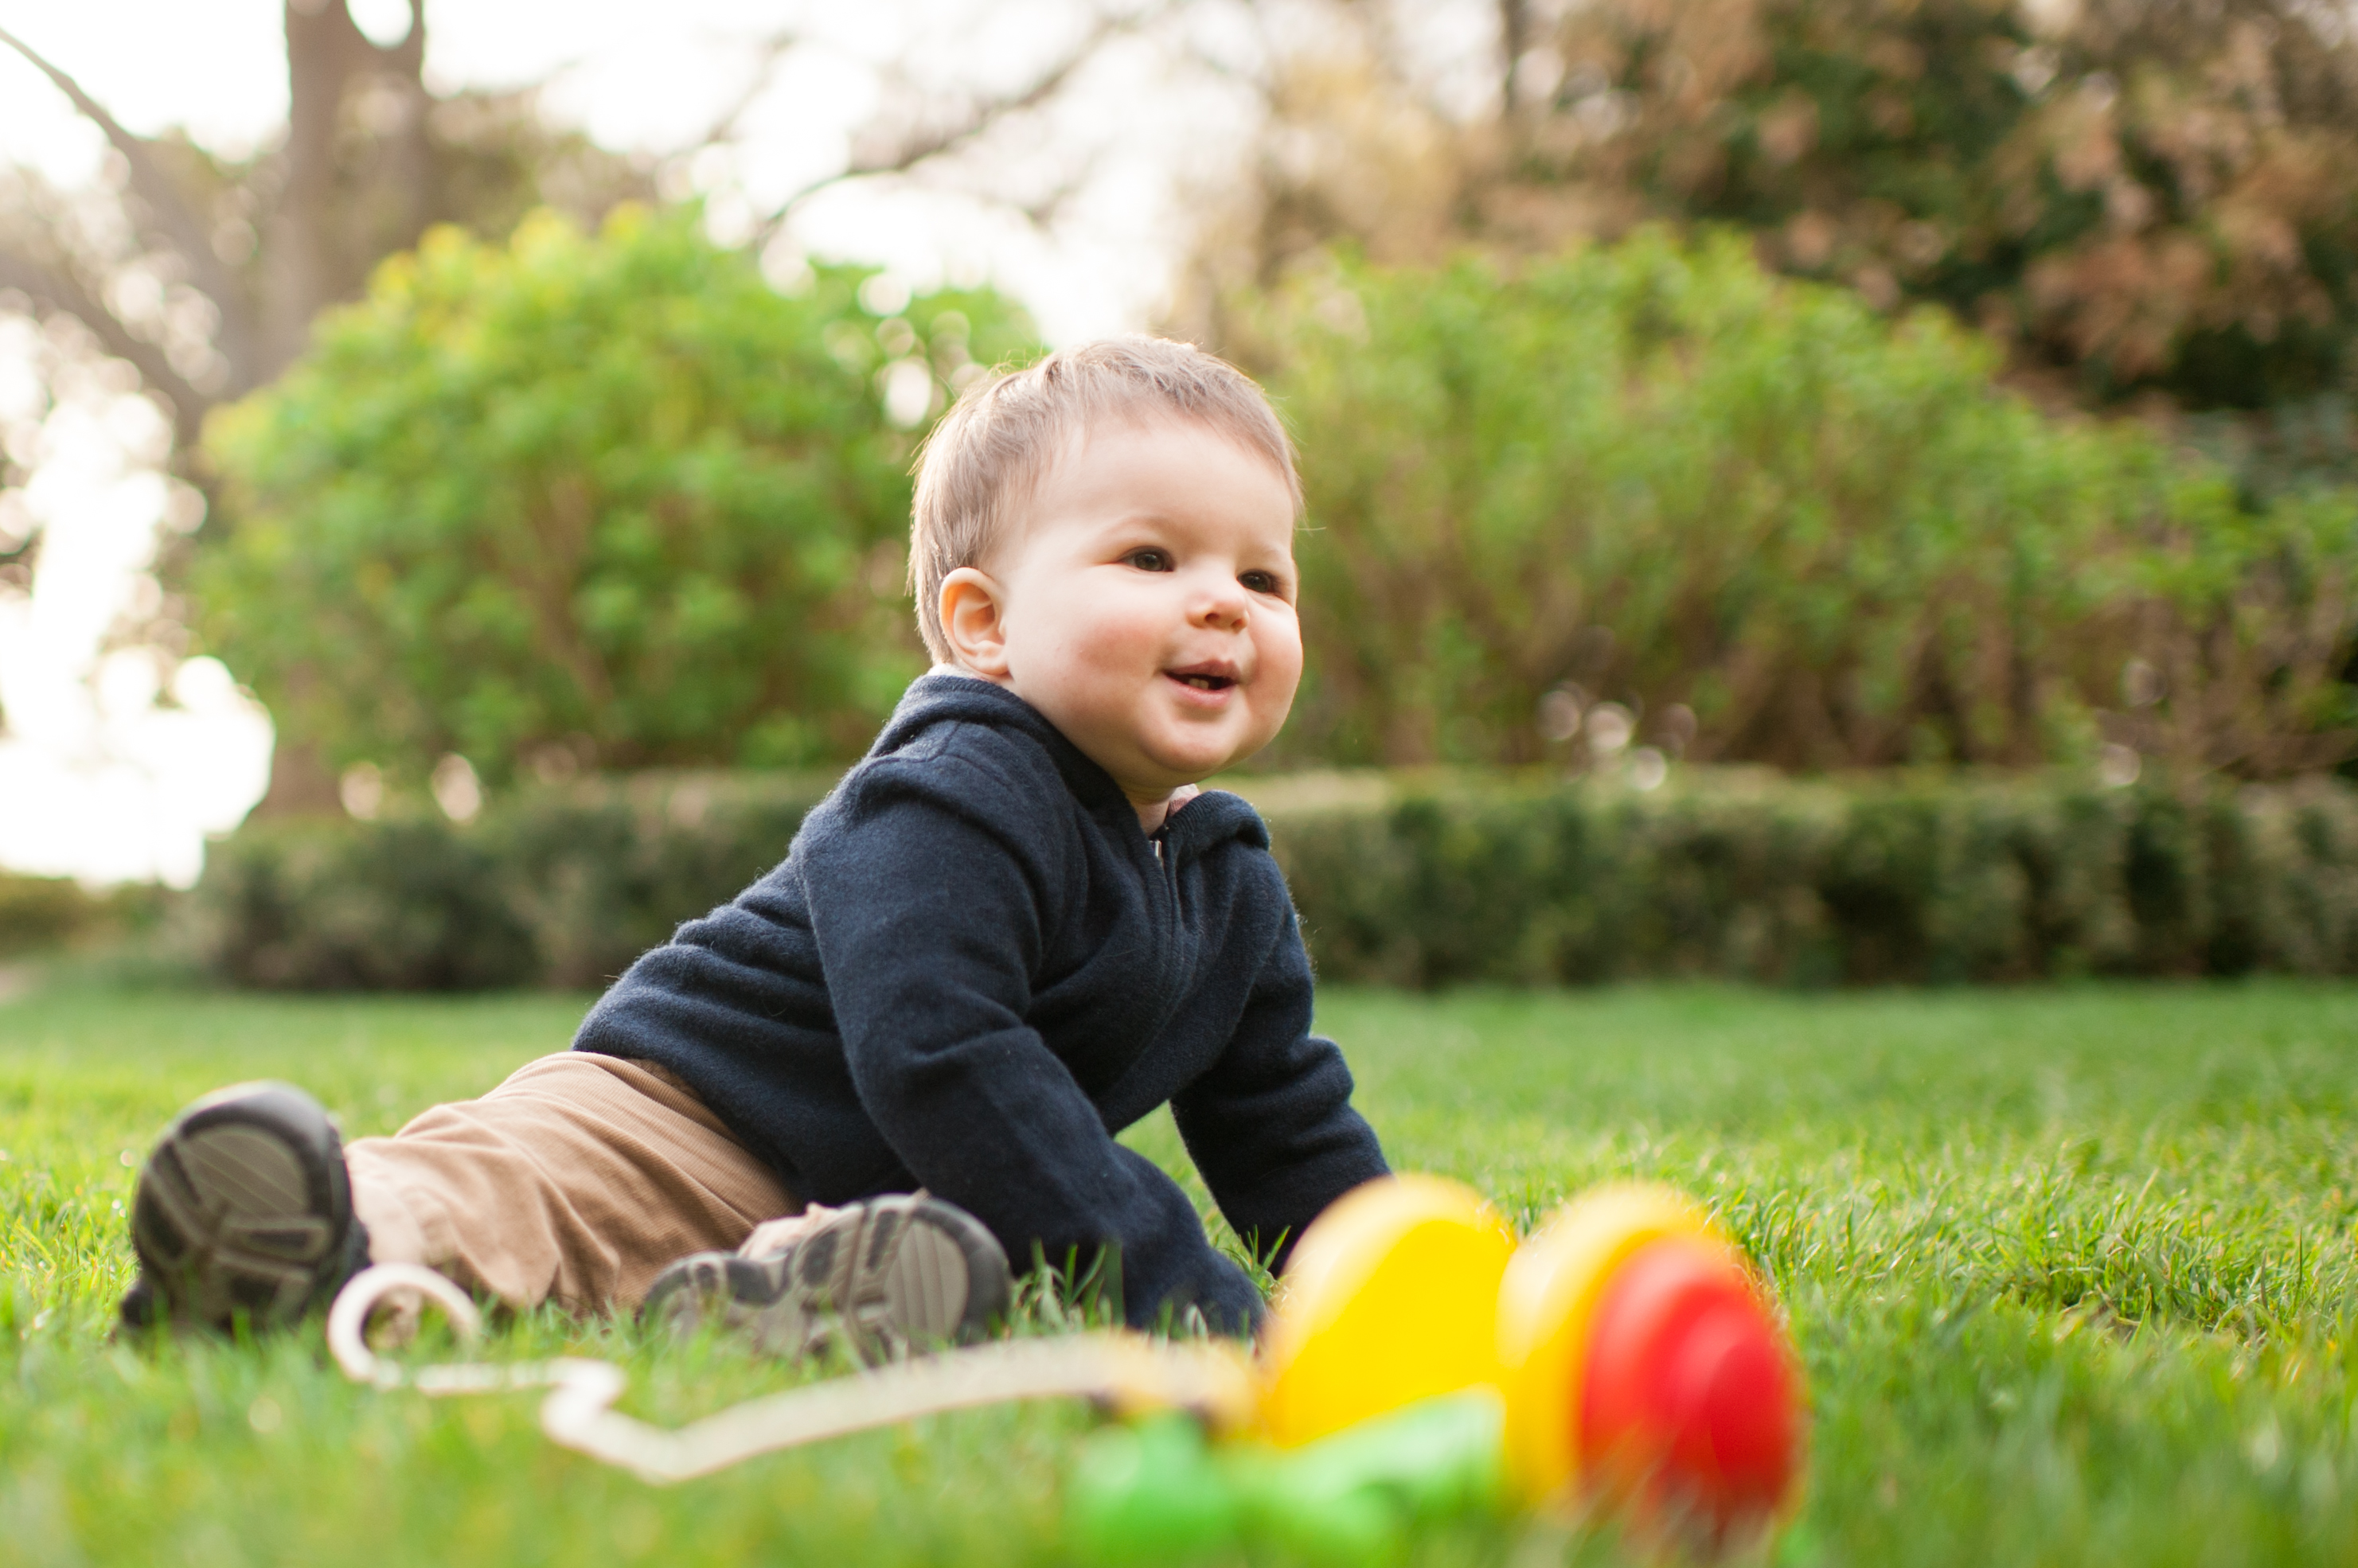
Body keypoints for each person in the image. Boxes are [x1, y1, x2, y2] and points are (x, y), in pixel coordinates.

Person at [123, 337, 1391, 1355]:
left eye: (1264, 578)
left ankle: (767, 1299)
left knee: (983, 1261)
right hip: (690, 1116)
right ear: (984, 624)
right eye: (1151, 556)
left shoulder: (1227, 881)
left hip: (909, 1183)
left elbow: (1284, 1121)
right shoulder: (953, 790)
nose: (1222, 599)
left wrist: (1394, 1289)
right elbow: (941, 1053)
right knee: (522, 1200)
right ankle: (302, 1225)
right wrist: (1180, 1292)